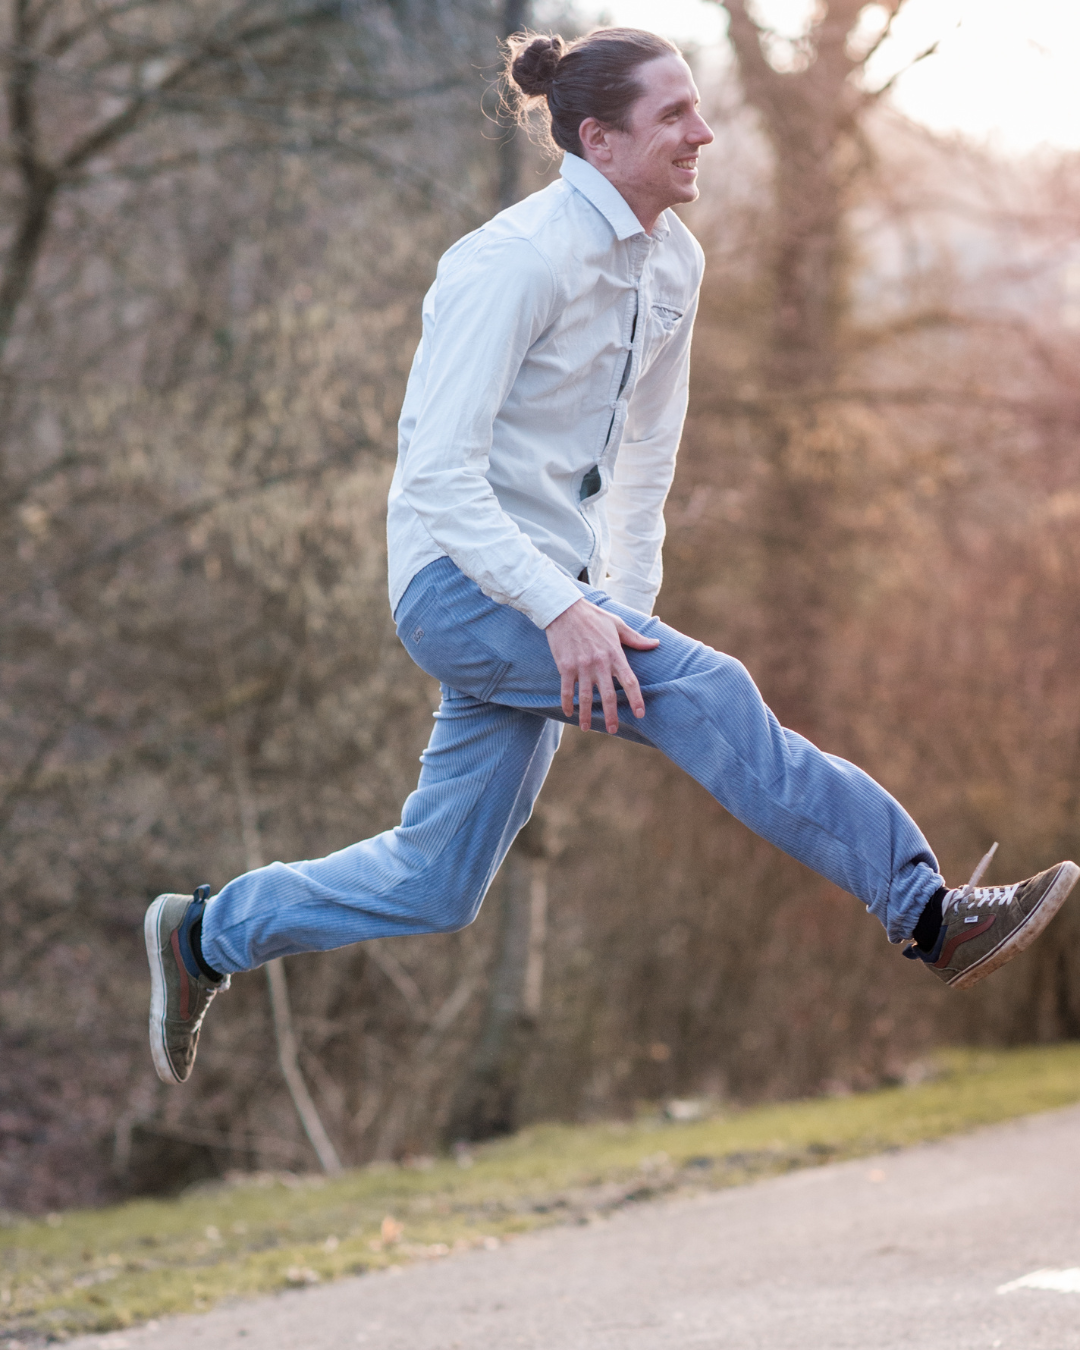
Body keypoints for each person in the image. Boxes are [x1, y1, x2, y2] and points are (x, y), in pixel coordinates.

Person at [144, 28, 1078, 1086]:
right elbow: (439, 478)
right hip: (458, 588)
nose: (705, 131)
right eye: (675, 115)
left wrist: (619, 611)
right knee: (716, 689)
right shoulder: (512, 262)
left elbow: (645, 458)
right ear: (599, 138)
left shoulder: (674, 262)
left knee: (437, 881)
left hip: (557, 597)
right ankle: (931, 912)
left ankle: (205, 934)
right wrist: (567, 614)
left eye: (697, 108)